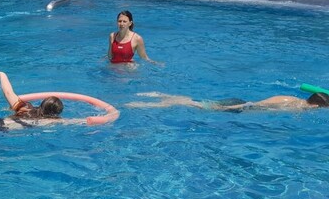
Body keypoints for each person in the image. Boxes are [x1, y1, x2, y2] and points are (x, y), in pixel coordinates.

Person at [126, 91, 329, 112]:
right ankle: (159, 100)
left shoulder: (293, 100)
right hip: (242, 107)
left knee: (198, 103)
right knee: (198, 106)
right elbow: (257, 105)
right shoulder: (296, 106)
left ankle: (162, 96)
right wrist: (235, 107)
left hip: (243, 104)